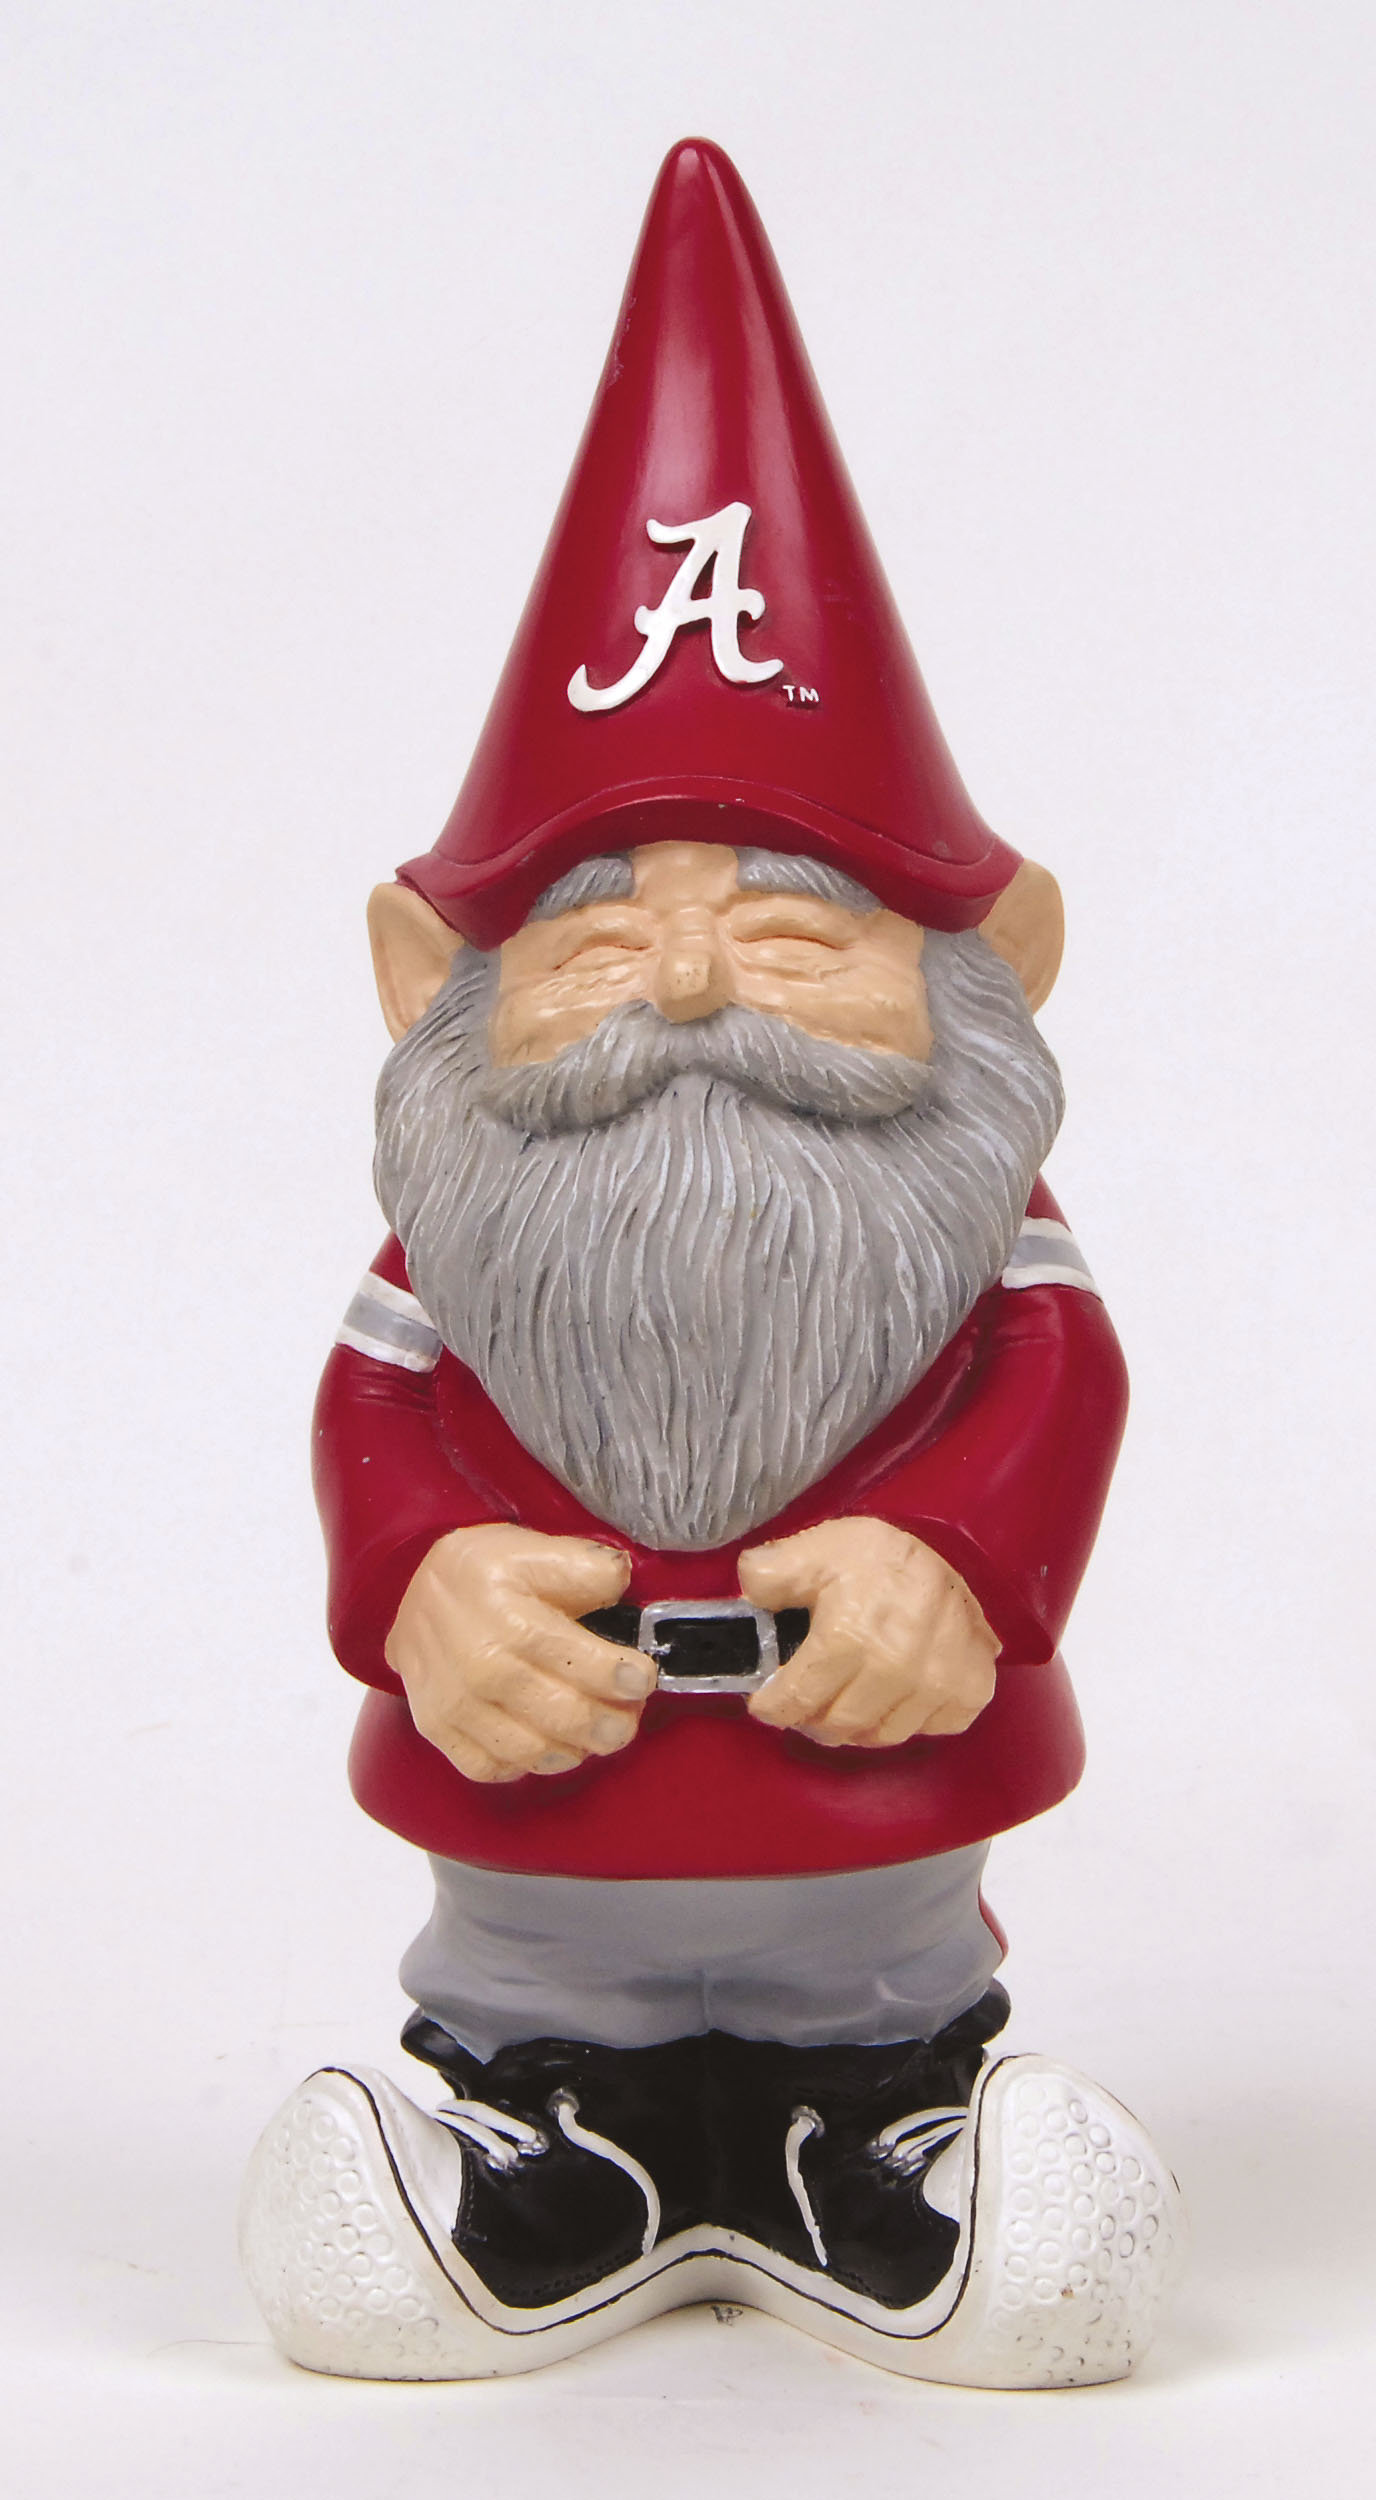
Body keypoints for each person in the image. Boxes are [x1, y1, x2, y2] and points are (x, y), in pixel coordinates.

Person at [240, 138, 1182, 2389]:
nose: (681, 986)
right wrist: (422, 1582)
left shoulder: (977, 1235)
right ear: (429, 987)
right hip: (541, 1796)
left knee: (876, 1982)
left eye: (787, 930)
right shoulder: (473, 1227)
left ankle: (889, 2125)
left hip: (866, 1786)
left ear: (992, 966)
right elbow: (377, 1413)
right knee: (530, 1980)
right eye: (592, 939)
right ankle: (530, 2132)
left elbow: (1056, 1394)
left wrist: (955, 1563)